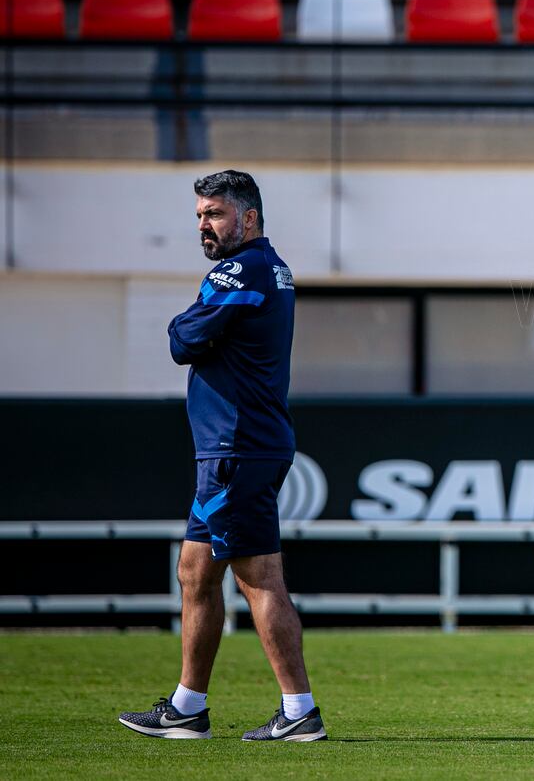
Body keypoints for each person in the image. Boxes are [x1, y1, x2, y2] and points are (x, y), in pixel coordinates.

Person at [118, 170, 325, 742]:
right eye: (200, 217)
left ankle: (299, 710)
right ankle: (188, 706)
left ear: (248, 219)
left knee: (259, 579)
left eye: (214, 214)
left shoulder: (242, 270)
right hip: (234, 448)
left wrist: (186, 321)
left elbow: (182, 341)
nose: (204, 226)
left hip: (238, 447)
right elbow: (195, 334)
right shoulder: (269, 268)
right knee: (195, 573)